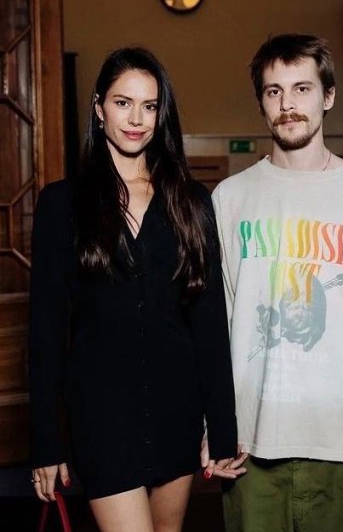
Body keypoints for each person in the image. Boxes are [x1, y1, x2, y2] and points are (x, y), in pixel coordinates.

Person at [29, 47, 243, 532]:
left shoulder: (192, 203)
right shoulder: (62, 205)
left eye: (149, 106)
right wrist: (45, 443)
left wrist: (221, 429)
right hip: (101, 417)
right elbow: (45, 333)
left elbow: (209, 325)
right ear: (98, 107)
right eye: (123, 103)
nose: (136, 119)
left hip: (177, 411)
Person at [212, 34, 343, 532]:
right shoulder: (229, 200)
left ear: (328, 96)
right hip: (248, 447)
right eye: (274, 91)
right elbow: (214, 328)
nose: (288, 104)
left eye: (302, 88)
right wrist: (213, 429)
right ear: (261, 102)